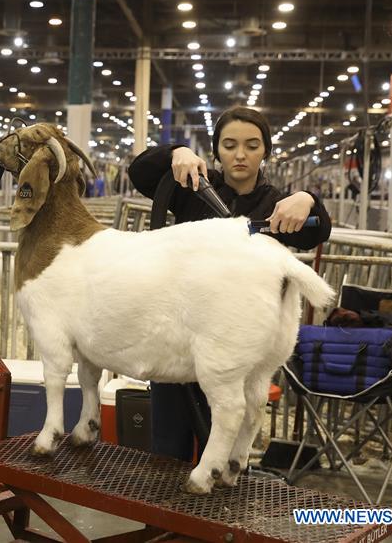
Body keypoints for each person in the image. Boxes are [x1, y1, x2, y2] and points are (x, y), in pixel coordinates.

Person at [127, 106, 332, 463]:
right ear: (217, 150)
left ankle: (218, 507)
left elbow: (317, 231)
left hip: (236, 346)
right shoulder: (191, 190)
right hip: (180, 336)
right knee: (167, 452)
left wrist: (309, 199)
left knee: (224, 444)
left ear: (265, 150)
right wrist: (175, 151)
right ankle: (163, 519)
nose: (240, 154)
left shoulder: (276, 204)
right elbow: (140, 171)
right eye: (230, 145)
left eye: (252, 146)